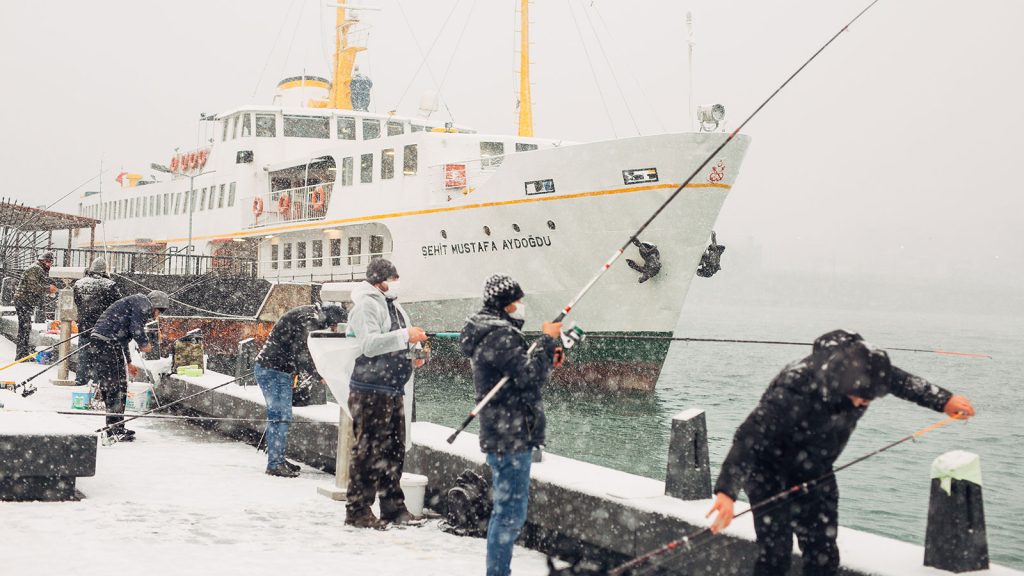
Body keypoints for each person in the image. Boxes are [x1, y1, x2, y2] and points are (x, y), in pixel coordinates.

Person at [706, 329, 976, 576]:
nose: (862, 403)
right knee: (775, 554)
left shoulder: (871, 369)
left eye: (869, 399)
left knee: (823, 554)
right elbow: (749, 437)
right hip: (768, 470)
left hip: (816, 470)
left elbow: (902, 382)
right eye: (858, 396)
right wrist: (727, 492)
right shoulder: (797, 386)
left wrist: (944, 400)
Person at [459, 273, 563, 576]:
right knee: (509, 515)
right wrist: (547, 340)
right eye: (517, 301)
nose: (521, 306)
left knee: (507, 512)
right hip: (510, 436)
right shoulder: (500, 336)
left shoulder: (493, 332)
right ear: (505, 304)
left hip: (507, 433)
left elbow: (523, 374)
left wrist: (547, 354)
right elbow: (530, 379)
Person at [344, 258, 428, 528]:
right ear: (379, 279)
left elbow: (397, 339)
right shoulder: (366, 305)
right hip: (370, 389)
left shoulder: (394, 305)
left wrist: (415, 353)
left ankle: (393, 507)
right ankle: (358, 511)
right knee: (368, 451)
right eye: (392, 278)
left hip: (392, 387)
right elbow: (369, 345)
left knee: (393, 450)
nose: (395, 283)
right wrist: (406, 336)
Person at [253, 302, 346, 477]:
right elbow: (302, 354)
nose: (333, 329)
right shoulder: (308, 320)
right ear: (330, 319)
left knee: (280, 416)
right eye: (333, 325)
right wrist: (321, 376)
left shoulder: (310, 314)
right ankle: (275, 464)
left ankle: (277, 457)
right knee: (280, 416)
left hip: (274, 369)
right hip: (274, 371)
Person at [90, 290, 170, 442]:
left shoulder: (135, 303)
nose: (157, 316)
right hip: (108, 342)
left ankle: (113, 426)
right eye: (159, 311)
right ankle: (116, 429)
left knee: (112, 385)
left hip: (103, 341)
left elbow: (124, 338)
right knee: (117, 387)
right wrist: (144, 343)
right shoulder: (143, 303)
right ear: (155, 306)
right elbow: (136, 329)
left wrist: (128, 362)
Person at [72, 258, 121, 387]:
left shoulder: (79, 284)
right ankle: (96, 380)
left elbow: (78, 302)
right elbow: (117, 305)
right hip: (102, 327)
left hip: (84, 325)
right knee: (100, 355)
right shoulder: (110, 285)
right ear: (104, 270)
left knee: (83, 353)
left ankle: (80, 379)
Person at [13, 251, 58, 360]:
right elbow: (34, 287)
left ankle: (23, 353)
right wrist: (49, 289)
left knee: (25, 327)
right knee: (24, 327)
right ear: (45, 261)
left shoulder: (39, 269)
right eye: (50, 263)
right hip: (23, 301)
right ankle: (21, 354)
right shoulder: (36, 268)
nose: (51, 265)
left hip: (24, 301)